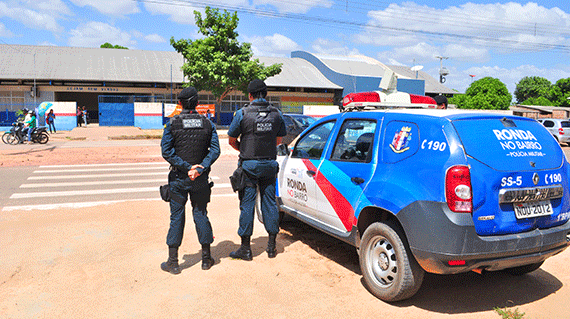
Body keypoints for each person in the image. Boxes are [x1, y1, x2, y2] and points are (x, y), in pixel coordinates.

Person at [160, 86, 220, 274]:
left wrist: (187, 168)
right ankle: (205, 259)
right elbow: (215, 150)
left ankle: (173, 262)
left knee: (177, 217)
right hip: (200, 180)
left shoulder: (172, 124)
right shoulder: (207, 123)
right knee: (201, 213)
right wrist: (200, 168)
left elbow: (166, 151)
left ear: (179, 103)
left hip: (179, 178)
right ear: (198, 103)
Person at [227, 79, 287, 260]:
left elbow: (231, 140)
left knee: (247, 205)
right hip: (269, 165)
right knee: (269, 203)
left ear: (250, 95)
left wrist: (244, 150)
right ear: (266, 94)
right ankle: (271, 247)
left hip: (249, 166)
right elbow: (279, 141)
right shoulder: (277, 114)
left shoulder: (242, 113)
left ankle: (245, 249)